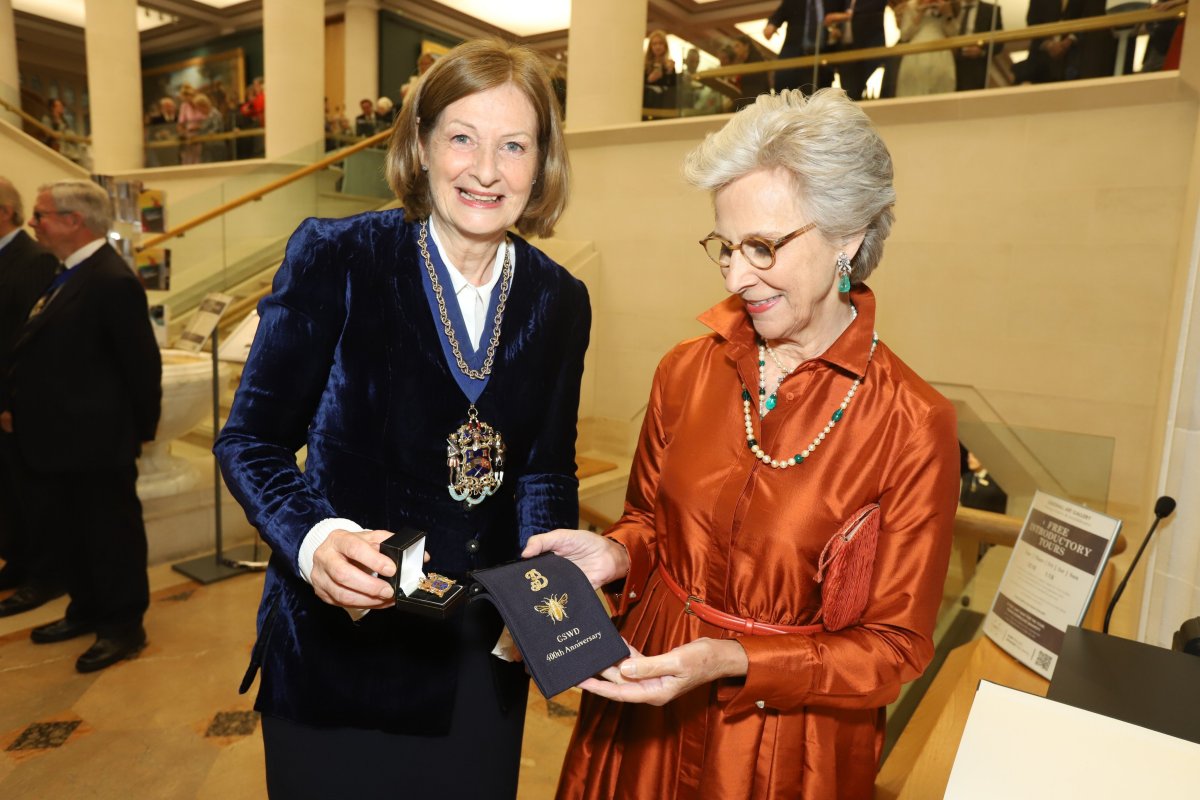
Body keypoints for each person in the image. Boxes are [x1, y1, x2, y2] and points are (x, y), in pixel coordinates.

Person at [526, 89, 960, 799]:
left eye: (763, 247)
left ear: (847, 237)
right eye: (725, 248)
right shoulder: (685, 371)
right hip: (647, 698)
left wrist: (735, 659)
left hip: (780, 745)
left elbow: (893, 649)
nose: (735, 276)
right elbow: (648, 522)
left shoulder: (912, 422)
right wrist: (617, 553)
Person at [214, 38, 590, 799]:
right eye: (463, 138)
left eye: (514, 145)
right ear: (420, 146)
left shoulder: (560, 299)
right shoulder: (339, 256)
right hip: (342, 650)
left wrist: (544, 607)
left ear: (541, 164)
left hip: (481, 655)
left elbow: (545, 470)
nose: (486, 170)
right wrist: (313, 541)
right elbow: (251, 440)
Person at [1, 180, 161, 672]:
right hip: (61, 439)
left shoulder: (110, 279)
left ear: (74, 221)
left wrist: (138, 432)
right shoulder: (68, 272)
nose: (33, 223)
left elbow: (141, 365)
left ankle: (123, 627)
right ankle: (86, 609)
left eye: (42, 215)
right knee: (75, 533)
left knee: (111, 536)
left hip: (98, 442)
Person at [0, 178, 58, 601]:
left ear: (4, 212)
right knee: (8, 491)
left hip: (17, 400)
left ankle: (43, 573)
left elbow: (24, 340)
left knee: (31, 491)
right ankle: (17, 560)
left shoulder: (34, 259)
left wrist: (8, 400)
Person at [764, 0, 835, 93]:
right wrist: (771, 25)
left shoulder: (831, 2)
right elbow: (779, 15)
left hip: (821, 56)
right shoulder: (794, 2)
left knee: (816, 91)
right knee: (786, 87)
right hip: (794, 54)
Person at [895, 0, 959, 96]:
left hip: (941, 52)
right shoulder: (912, 5)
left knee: (941, 89)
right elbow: (905, 35)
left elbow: (953, 33)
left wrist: (948, 14)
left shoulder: (947, 4)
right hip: (915, 52)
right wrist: (920, 13)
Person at [954, 0, 1004, 91]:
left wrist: (981, 52)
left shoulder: (991, 10)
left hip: (975, 66)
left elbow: (999, 41)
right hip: (950, 62)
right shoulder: (951, 7)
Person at [643, 30, 677, 110]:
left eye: (660, 43)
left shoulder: (669, 65)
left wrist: (670, 72)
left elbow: (673, 86)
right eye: (654, 44)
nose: (658, 47)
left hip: (663, 103)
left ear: (665, 46)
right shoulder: (645, 65)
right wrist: (649, 80)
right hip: (647, 103)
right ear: (650, 47)